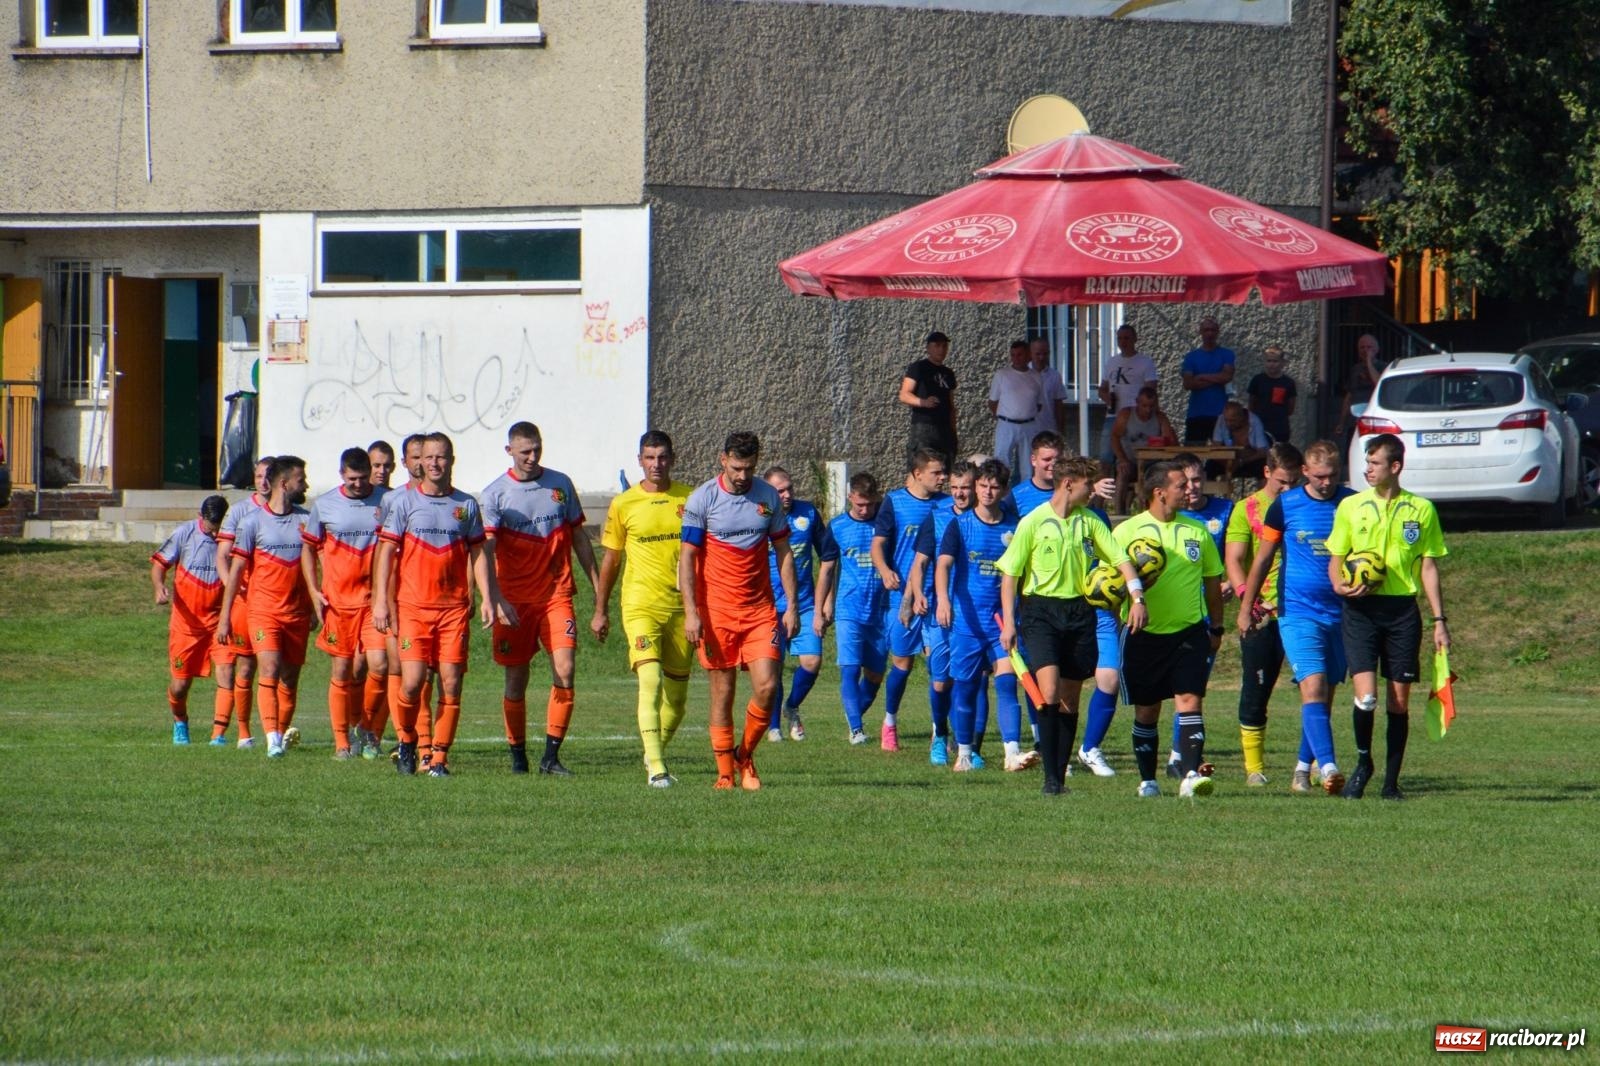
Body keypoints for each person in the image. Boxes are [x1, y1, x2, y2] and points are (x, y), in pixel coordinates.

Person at [999, 455, 1147, 793]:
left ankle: (1059, 776)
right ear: (1069, 484)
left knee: (1069, 699)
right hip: (1040, 613)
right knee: (1048, 691)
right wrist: (1009, 622)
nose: (1091, 492)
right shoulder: (1033, 522)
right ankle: (1051, 778)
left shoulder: (1090, 521)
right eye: (1087, 486)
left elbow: (1121, 559)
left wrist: (1137, 596)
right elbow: (1010, 575)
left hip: (1080, 613)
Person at [374, 432, 509, 776]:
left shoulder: (465, 505)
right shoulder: (404, 503)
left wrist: (487, 598)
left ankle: (439, 758)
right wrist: (381, 602)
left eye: (442, 457)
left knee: (451, 681)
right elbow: (386, 551)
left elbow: (478, 552)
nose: (434, 463)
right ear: (420, 462)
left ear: (452, 460)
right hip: (414, 608)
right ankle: (406, 740)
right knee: (412, 682)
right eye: (429, 457)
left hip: (453, 610)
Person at [1325, 433, 1449, 801]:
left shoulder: (1422, 510)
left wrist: (1439, 621)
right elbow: (1335, 558)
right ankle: (1364, 763)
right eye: (1367, 463)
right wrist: (1340, 586)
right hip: (1360, 611)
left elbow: (1428, 567)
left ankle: (1391, 783)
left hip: (1401, 613)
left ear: (1395, 467)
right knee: (1366, 698)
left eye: (1375, 464)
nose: (1368, 470)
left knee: (1398, 701)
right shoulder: (1351, 506)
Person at [679, 431, 799, 790]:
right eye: (736, 467)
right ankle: (725, 773)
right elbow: (687, 558)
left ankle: (744, 754)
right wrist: (691, 611)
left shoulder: (767, 497)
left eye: (749, 468)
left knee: (767, 686)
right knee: (723, 691)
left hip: (760, 610)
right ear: (722, 460)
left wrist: (791, 606)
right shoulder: (703, 499)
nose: (743, 475)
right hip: (716, 612)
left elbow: (784, 551)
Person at [1236, 439, 1356, 795]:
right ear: (1305, 471)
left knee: (1325, 693)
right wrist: (1246, 608)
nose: (1325, 482)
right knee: (1313, 684)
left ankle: (1303, 769)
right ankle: (1329, 766)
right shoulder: (1285, 507)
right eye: (1319, 476)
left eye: (1332, 475)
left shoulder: (1350, 503)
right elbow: (1261, 559)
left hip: (1342, 613)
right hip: (1298, 610)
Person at [480, 422, 601, 777]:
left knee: (565, 669)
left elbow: (579, 537)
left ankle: (551, 757)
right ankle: (518, 755)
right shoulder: (495, 494)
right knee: (516, 680)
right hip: (514, 601)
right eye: (524, 452)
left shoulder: (560, 485)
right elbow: (484, 551)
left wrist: (597, 588)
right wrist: (495, 597)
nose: (532, 458)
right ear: (509, 452)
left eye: (537, 450)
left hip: (555, 594)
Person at [1115, 461, 1225, 798]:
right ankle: (1148, 779)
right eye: (1181, 485)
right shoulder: (1126, 532)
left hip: (1189, 631)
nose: (1190, 489)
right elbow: (1106, 585)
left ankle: (1190, 775)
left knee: (1190, 700)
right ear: (1159, 493)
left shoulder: (1197, 531)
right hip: (1142, 634)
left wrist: (1217, 627)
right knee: (1148, 709)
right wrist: (1134, 589)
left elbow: (1211, 583)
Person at [592, 431, 695, 787]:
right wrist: (600, 608)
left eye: (662, 457)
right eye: (649, 458)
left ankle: (652, 751)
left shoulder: (690, 498)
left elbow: (703, 554)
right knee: (649, 680)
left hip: (682, 608)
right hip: (640, 605)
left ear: (672, 458)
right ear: (640, 460)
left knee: (678, 700)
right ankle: (657, 768)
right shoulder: (624, 503)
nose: (656, 464)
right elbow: (612, 559)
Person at [217, 456, 313, 759]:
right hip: (263, 612)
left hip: (296, 613)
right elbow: (235, 572)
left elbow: (315, 567)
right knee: (268, 669)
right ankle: (271, 738)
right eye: (301, 479)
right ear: (284, 484)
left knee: (290, 677)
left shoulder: (306, 521)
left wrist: (313, 607)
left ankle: (280, 734)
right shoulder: (251, 522)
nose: (306, 484)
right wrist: (225, 618)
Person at [935, 459, 1027, 773]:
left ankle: (1012, 753)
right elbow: (943, 564)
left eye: (994, 487)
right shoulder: (959, 525)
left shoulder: (1015, 527)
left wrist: (1016, 616)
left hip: (1002, 622)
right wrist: (943, 600)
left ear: (1003, 491)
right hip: (965, 622)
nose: (987, 492)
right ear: (976, 487)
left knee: (1006, 684)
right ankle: (963, 753)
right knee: (965, 688)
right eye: (983, 485)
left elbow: (1021, 573)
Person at [300, 447, 388, 759]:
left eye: (364, 478)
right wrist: (313, 591)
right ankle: (342, 743)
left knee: (380, 664)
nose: (359, 484)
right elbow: (308, 550)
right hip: (338, 604)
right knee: (342, 670)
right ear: (342, 475)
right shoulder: (324, 506)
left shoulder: (386, 501)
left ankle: (366, 726)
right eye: (352, 479)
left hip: (374, 603)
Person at [1223, 442, 1302, 785]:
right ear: (1266, 472)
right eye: (1281, 482)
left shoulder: (1306, 504)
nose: (1287, 489)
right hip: (1263, 611)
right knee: (1256, 688)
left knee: (1314, 688)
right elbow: (1235, 559)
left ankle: (1309, 764)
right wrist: (1247, 599)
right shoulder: (1247, 508)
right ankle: (1254, 769)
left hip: (1301, 609)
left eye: (1294, 482)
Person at [870, 447, 948, 751]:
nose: (942, 478)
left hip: (936, 597)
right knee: (901, 663)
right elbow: (878, 544)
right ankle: (890, 721)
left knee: (938, 668)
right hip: (902, 599)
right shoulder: (895, 502)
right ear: (917, 474)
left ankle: (938, 731)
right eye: (936, 473)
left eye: (943, 472)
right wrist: (885, 569)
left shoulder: (946, 505)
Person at [906, 459, 975, 764]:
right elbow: (920, 563)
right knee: (940, 680)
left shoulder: (987, 517)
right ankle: (940, 735)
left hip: (975, 611)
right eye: (955, 488)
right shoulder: (937, 518)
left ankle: (971, 748)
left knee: (972, 680)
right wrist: (918, 594)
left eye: (966, 488)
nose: (960, 494)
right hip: (941, 611)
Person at [763, 466, 835, 743]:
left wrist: (827, 600)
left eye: (790, 488)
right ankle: (773, 727)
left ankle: (791, 706)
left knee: (812, 661)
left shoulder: (808, 514)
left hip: (804, 604)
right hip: (768, 605)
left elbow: (828, 557)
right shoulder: (761, 517)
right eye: (780, 490)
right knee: (773, 667)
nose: (787, 494)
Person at [151, 495, 230, 745]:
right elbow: (159, 564)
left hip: (219, 621)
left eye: (217, 525)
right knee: (180, 685)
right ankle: (180, 722)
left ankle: (218, 736)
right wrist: (159, 587)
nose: (213, 530)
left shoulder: (230, 538)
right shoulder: (184, 534)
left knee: (227, 673)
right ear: (200, 517)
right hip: (186, 626)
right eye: (209, 525)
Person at [825, 472, 890, 743]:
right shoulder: (838, 526)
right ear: (850, 497)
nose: (865, 510)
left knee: (874, 675)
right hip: (849, 608)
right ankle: (856, 728)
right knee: (850, 669)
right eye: (860, 504)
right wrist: (823, 605)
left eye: (870, 505)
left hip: (882, 609)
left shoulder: (886, 525)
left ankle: (855, 718)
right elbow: (827, 569)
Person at [213, 456, 273, 749]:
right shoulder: (239, 512)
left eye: (268, 476)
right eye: (259, 475)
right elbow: (222, 555)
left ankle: (278, 733)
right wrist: (232, 588)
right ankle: (244, 732)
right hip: (246, 602)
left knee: (278, 668)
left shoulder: (290, 514)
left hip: (277, 603)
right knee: (246, 667)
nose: (263, 481)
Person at [1110, 386, 1177, 514]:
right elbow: (1114, 437)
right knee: (1123, 472)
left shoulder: (1160, 418)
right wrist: (1122, 459)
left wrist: (1163, 440)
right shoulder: (1126, 414)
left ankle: (1154, 511)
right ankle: (1119, 512)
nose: (1148, 410)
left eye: (1151, 406)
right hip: (1129, 460)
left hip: (1152, 463)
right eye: (1144, 405)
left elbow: (1171, 443)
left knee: (1162, 474)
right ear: (1137, 402)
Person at [1098, 323, 1160, 461]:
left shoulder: (1145, 362)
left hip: (1134, 416)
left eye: (1126, 338)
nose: (1122, 342)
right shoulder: (1111, 362)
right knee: (1105, 457)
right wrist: (1106, 397)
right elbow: (1102, 388)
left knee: (1132, 457)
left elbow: (1151, 389)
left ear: (1135, 339)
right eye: (1119, 338)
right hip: (1113, 415)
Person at [898, 331, 958, 465]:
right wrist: (923, 402)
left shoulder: (948, 373)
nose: (941, 349)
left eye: (944, 346)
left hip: (945, 428)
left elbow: (951, 404)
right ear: (928, 348)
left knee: (945, 468)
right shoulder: (918, 367)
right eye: (937, 345)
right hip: (924, 427)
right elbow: (904, 394)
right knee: (922, 467)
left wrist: (954, 431)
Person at [988, 340, 1043, 480]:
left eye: (1019, 355)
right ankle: (1001, 497)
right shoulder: (1002, 375)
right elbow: (992, 402)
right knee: (1001, 462)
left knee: (1028, 466)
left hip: (1029, 425)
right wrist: (1006, 416)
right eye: (1013, 355)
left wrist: (1025, 413)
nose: (1016, 358)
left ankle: (1026, 497)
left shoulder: (1036, 376)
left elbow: (1039, 403)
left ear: (1027, 356)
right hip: (1007, 424)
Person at [1180, 316, 1236, 443]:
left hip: (1221, 414)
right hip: (1196, 414)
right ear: (1200, 332)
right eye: (1206, 330)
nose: (1209, 333)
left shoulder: (1227, 354)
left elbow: (1227, 377)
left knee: (1223, 456)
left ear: (1217, 332)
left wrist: (1201, 377)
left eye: (1212, 330)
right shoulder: (1191, 357)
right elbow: (1188, 383)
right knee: (1192, 456)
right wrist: (1217, 378)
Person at [1334, 334, 1387, 442]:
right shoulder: (1355, 369)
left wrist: (1369, 362)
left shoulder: (1383, 367)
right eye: (1362, 347)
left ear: (1376, 349)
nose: (1365, 350)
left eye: (1369, 347)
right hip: (1355, 419)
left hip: (1374, 420)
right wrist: (1341, 422)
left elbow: (1379, 384)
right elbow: (1349, 396)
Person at [1246, 345, 1297, 445]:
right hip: (1260, 425)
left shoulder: (1288, 382)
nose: (1271, 364)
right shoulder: (1257, 380)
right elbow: (1252, 402)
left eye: (1275, 361)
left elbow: (1291, 407)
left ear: (1282, 363)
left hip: (1280, 427)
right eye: (1269, 361)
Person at [1211, 400, 1272, 479]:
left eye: (1232, 420)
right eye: (1226, 420)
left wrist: (1241, 461)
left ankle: (1263, 491)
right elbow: (1216, 447)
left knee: (1263, 467)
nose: (1228, 424)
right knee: (1210, 467)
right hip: (1229, 460)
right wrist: (1227, 462)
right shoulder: (1221, 419)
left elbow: (1263, 451)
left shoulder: (1254, 421)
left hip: (1250, 460)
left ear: (1241, 417)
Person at [1028, 336, 1066, 438]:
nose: (1041, 357)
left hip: (1048, 429)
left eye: (1045, 353)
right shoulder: (1023, 374)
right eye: (1038, 354)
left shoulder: (1054, 376)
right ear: (1030, 354)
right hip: (1027, 430)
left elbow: (1059, 405)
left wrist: (1061, 430)